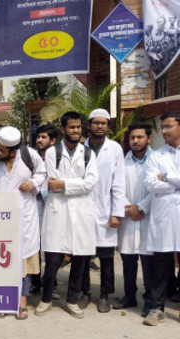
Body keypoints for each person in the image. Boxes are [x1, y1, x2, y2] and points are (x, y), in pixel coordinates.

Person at [0, 126, 47, 320]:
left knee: (22, 259)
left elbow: (42, 173)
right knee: (1, 259)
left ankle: (21, 301)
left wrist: (33, 182)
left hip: (25, 216)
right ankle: (2, 300)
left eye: (2, 150)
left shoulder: (29, 155)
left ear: (14, 150)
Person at [36, 111, 98, 319]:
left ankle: (72, 300)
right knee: (53, 260)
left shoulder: (88, 153)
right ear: (63, 129)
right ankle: (46, 299)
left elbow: (90, 183)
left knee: (80, 260)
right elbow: (52, 183)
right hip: (58, 212)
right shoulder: (53, 152)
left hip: (81, 212)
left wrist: (64, 184)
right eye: (72, 127)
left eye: (78, 127)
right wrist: (69, 184)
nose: (76, 130)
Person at [78, 109, 126, 313]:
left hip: (106, 210)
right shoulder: (79, 148)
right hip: (82, 209)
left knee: (106, 258)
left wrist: (116, 213)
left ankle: (104, 295)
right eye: (96, 123)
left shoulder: (114, 148)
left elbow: (119, 183)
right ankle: (84, 292)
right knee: (82, 256)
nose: (99, 126)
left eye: (103, 123)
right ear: (89, 125)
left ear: (108, 126)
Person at [142, 112, 180, 326]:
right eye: (162, 127)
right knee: (161, 266)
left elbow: (159, 182)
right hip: (164, 218)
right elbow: (151, 184)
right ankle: (157, 308)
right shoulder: (156, 156)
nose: (164, 131)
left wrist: (166, 177)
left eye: (168, 126)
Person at [115, 124, 154, 315]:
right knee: (128, 259)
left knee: (149, 262)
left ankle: (150, 301)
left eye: (140, 137)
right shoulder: (123, 161)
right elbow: (116, 188)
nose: (136, 141)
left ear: (149, 138)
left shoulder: (157, 160)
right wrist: (129, 207)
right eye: (132, 138)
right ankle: (129, 296)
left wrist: (141, 207)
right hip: (128, 216)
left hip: (149, 217)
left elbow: (158, 188)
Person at [32, 123, 59, 296]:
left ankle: (51, 284)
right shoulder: (31, 158)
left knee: (51, 251)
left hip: (53, 208)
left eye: (44, 137)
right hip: (34, 209)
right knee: (34, 249)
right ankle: (34, 283)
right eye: (38, 137)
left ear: (53, 140)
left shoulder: (58, 158)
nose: (39, 140)